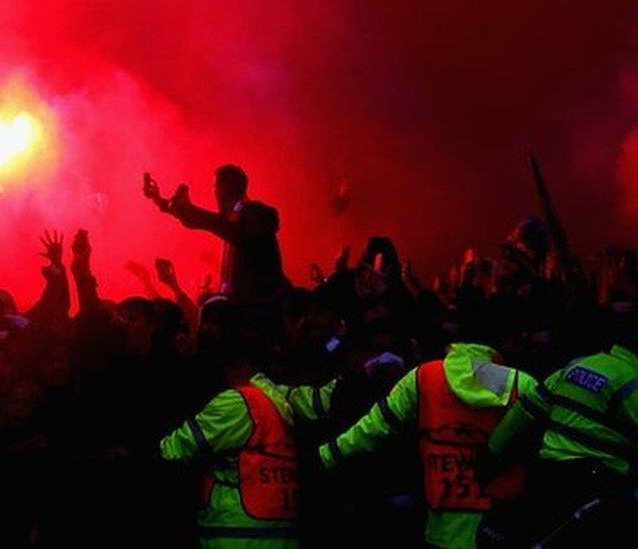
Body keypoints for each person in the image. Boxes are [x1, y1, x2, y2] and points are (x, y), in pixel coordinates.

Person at [486, 312, 638, 547]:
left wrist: (490, 453)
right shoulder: (632, 383)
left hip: (547, 476)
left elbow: (525, 411)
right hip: (594, 490)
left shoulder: (576, 366)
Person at [317, 341, 540, 548]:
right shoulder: (523, 385)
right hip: (499, 530)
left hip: (441, 530)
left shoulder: (424, 377)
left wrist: (323, 457)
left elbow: (373, 427)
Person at [159, 302, 301, 548]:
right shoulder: (274, 396)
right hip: (277, 536)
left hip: (237, 537)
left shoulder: (237, 402)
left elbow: (172, 449)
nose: (205, 331)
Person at [143, 165, 289, 306]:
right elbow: (204, 221)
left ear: (227, 188)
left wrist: (186, 209)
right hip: (245, 310)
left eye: (215, 186)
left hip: (257, 314)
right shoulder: (236, 217)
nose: (214, 192)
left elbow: (228, 229)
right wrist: (160, 200)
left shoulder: (254, 213)